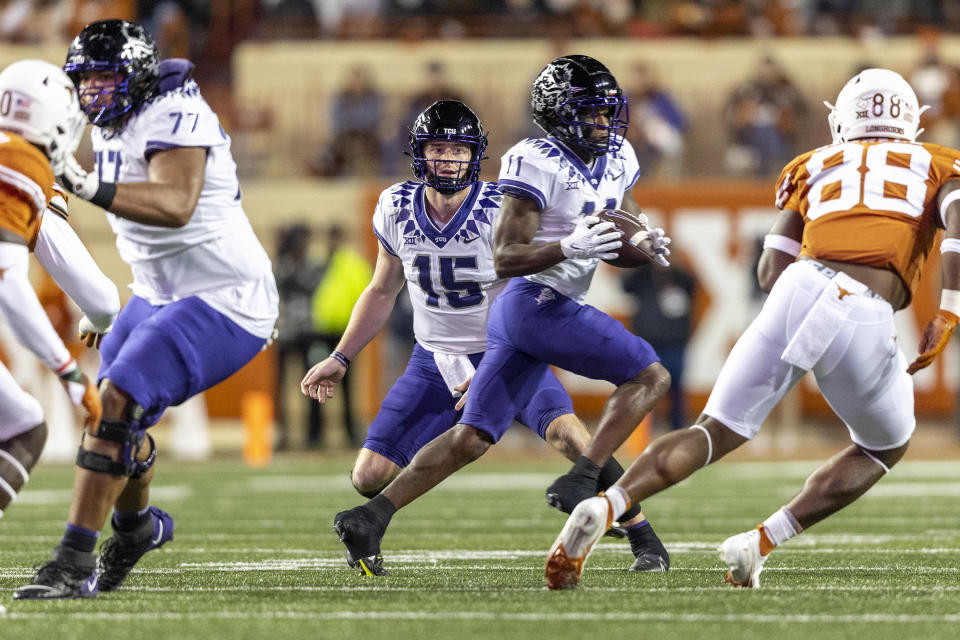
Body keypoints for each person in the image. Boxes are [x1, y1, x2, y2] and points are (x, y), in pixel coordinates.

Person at [545, 68, 959, 590]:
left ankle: (609, 504)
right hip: (861, 303)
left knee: (711, 430)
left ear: (842, 120)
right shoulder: (940, 163)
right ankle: (758, 543)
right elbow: (957, 225)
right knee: (884, 445)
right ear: (911, 121)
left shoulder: (812, 164)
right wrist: (948, 308)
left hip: (798, 287)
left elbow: (769, 271)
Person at [325, 56, 674, 576]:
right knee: (369, 473)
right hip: (438, 354)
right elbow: (381, 289)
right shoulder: (394, 206)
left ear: (476, 156)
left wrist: (635, 237)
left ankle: (643, 536)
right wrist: (341, 356)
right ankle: (371, 513)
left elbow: (573, 239)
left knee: (566, 436)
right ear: (417, 155)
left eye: (458, 150)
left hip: (501, 340)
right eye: (437, 149)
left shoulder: (503, 199)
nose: (447, 160)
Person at [14, 19, 279, 600]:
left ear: (135, 76)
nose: (93, 93)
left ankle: (71, 562)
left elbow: (177, 203)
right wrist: (100, 300)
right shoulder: (105, 116)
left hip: (224, 295)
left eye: (107, 79)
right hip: (156, 291)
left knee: (116, 402)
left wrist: (81, 184)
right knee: (109, 422)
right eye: (85, 81)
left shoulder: (174, 112)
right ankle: (135, 529)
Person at [0, 59, 108, 522]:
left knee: (25, 425)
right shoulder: (21, 162)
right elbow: (7, 281)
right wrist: (70, 373)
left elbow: (100, 298)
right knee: (26, 426)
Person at [309, 223, 372, 447]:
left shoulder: (352, 264)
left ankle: (349, 431)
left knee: (347, 384)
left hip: (345, 331)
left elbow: (367, 295)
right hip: (320, 330)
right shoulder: (319, 263)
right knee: (316, 382)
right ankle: (314, 434)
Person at [621, 259, 696, 431]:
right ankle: (646, 429)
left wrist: (671, 267)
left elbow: (692, 287)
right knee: (648, 387)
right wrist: (642, 260)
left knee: (676, 388)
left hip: (675, 344)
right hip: (649, 345)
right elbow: (625, 286)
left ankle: (677, 427)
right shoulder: (642, 277)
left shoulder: (681, 278)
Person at [273, 222, 324, 450]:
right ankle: (282, 433)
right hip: (285, 332)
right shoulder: (281, 264)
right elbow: (278, 285)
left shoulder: (311, 265)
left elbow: (312, 285)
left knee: (312, 382)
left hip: (307, 332)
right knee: (281, 385)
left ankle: (313, 434)